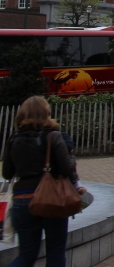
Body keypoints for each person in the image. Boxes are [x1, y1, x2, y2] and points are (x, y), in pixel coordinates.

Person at [2, 96, 87, 267]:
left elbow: (7, 173)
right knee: (55, 252)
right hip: (51, 200)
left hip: (21, 200)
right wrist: (70, 155)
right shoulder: (53, 136)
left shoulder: (13, 139)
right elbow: (67, 168)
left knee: (26, 256)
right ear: (46, 113)